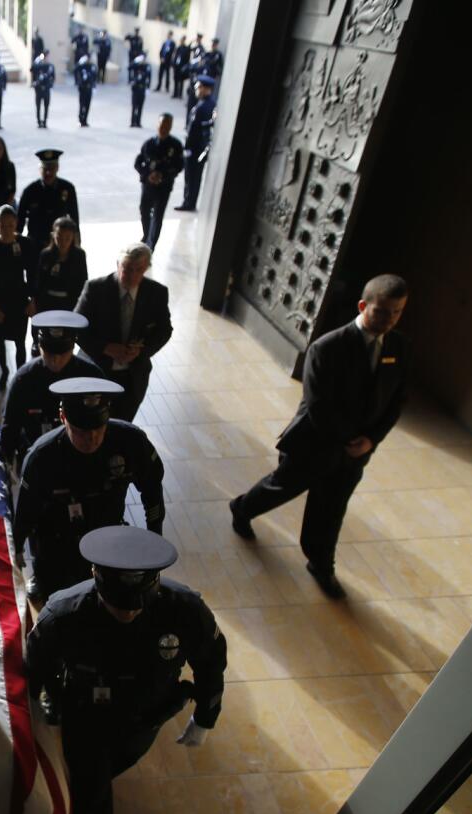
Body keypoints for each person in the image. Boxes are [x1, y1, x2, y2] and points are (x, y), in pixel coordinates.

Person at [25, 525, 226, 814]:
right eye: (119, 607)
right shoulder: (65, 614)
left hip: (143, 720)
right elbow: (36, 665)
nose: (129, 614)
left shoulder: (184, 609)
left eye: (138, 606)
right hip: (88, 724)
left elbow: (210, 662)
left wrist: (207, 715)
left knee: (113, 770)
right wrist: (43, 703)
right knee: (93, 803)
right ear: (98, 584)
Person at [229, 275, 410, 599]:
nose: (390, 320)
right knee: (281, 487)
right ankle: (242, 508)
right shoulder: (328, 347)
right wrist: (348, 440)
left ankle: (321, 563)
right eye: (383, 312)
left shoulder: (399, 348)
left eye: (397, 313)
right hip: (315, 444)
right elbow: (318, 405)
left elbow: (396, 402)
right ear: (362, 306)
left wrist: (371, 440)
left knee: (331, 510)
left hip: (356, 453)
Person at [12, 378, 164, 604]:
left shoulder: (131, 443)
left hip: (106, 533)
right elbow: (26, 510)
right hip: (56, 540)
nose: (91, 439)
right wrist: (17, 547)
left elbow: (152, 491)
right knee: (57, 600)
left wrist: (155, 537)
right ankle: (42, 579)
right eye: (81, 431)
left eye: (98, 429)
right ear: (63, 418)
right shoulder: (42, 458)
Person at [75, 243, 171, 423]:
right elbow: (77, 328)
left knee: (123, 425)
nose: (132, 275)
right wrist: (105, 348)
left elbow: (164, 330)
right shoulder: (96, 289)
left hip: (133, 377)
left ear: (146, 269)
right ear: (117, 264)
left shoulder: (157, 293)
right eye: (127, 269)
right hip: (97, 370)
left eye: (138, 270)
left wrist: (141, 351)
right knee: (94, 422)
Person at [0, 310, 103, 473]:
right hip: (36, 458)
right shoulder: (24, 379)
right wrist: (6, 463)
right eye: (49, 352)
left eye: (62, 353)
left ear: (72, 347)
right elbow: (10, 425)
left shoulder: (91, 377)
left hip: (78, 460)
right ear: (39, 346)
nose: (56, 359)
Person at [0, 206, 36, 389]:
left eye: (10, 225)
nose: (7, 229)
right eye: (3, 225)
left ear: (16, 224)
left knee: (20, 341)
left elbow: (33, 274)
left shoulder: (25, 244)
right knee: (0, 339)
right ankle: (4, 371)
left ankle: (19, 374)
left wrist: (33, 301)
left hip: (19, 300)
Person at [31, 216, 89, 353]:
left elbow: (83, 280)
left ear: (73, 237)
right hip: (47, 301)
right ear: (53, 235)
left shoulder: (79, 255)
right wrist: (34, 301)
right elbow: (39, 281)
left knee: (66, 335)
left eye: (67, 238)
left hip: (69, 301)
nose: (63, 242)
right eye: (59, 237)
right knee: (46, 333)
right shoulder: (46, 254)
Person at [135, 112, 185, 249]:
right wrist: (147, 175)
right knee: (144, 211)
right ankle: (146, 235)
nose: (164, 128)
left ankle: (151, 246)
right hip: (148, 186)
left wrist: (163, 176)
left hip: (164, 187)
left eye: (167, 125)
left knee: (157, 216)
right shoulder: (149, 144)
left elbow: (179, 166)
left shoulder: (175, 146)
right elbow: (138, 163)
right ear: (157, 125)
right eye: (162, 124)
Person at [175, 75, 217, 212]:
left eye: (198, 87)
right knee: (194, 177)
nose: (196, 89)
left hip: (195, 148)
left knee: (191, 176)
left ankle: (189, 202)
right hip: (198, 147)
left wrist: (187, 148)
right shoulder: (208, 104)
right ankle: (189, 201)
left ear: (206, 89)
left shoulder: (203, 106)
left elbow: (195, 129)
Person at [17, 148, 79, 240]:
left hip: (60, 244)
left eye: (51, 168)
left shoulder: (67, 189)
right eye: (45, 169)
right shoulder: (30, 191)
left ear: (57, 168)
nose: (48, 172)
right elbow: (19, 222)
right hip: (35, 244)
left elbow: (74, 220)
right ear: (40, 169)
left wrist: (76, 242)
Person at [30, 51, 54, 128]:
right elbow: (31, 69)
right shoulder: (38, 65)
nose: (48, 58)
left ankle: (45, 121)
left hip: (46, 89)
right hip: (39, 89)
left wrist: (49, 85)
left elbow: (53, 77)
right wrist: (36, 61)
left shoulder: (50, 66)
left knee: (46, 106)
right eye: (46, 56)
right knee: (38, 106)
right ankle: (39, 122)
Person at [127, 55, 150, 128]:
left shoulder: (146, 67)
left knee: (140, 106)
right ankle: (132, 121)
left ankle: (138, 122)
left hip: (142, 89)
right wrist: (135, 61)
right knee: (134, 106)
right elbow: (129, 67)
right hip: (135, 89)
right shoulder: (136, 66)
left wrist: (148, 88)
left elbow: (149, 76)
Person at [75, 55, 97, 127]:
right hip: (83, 89)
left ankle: (85, 120)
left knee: (87, 105)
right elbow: (75, 70)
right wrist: (80, 62)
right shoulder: (82, 66)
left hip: (89, 88)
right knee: (82, 105)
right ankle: (80, 119)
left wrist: (94, 86)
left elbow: (94, 77)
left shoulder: (92, 66)